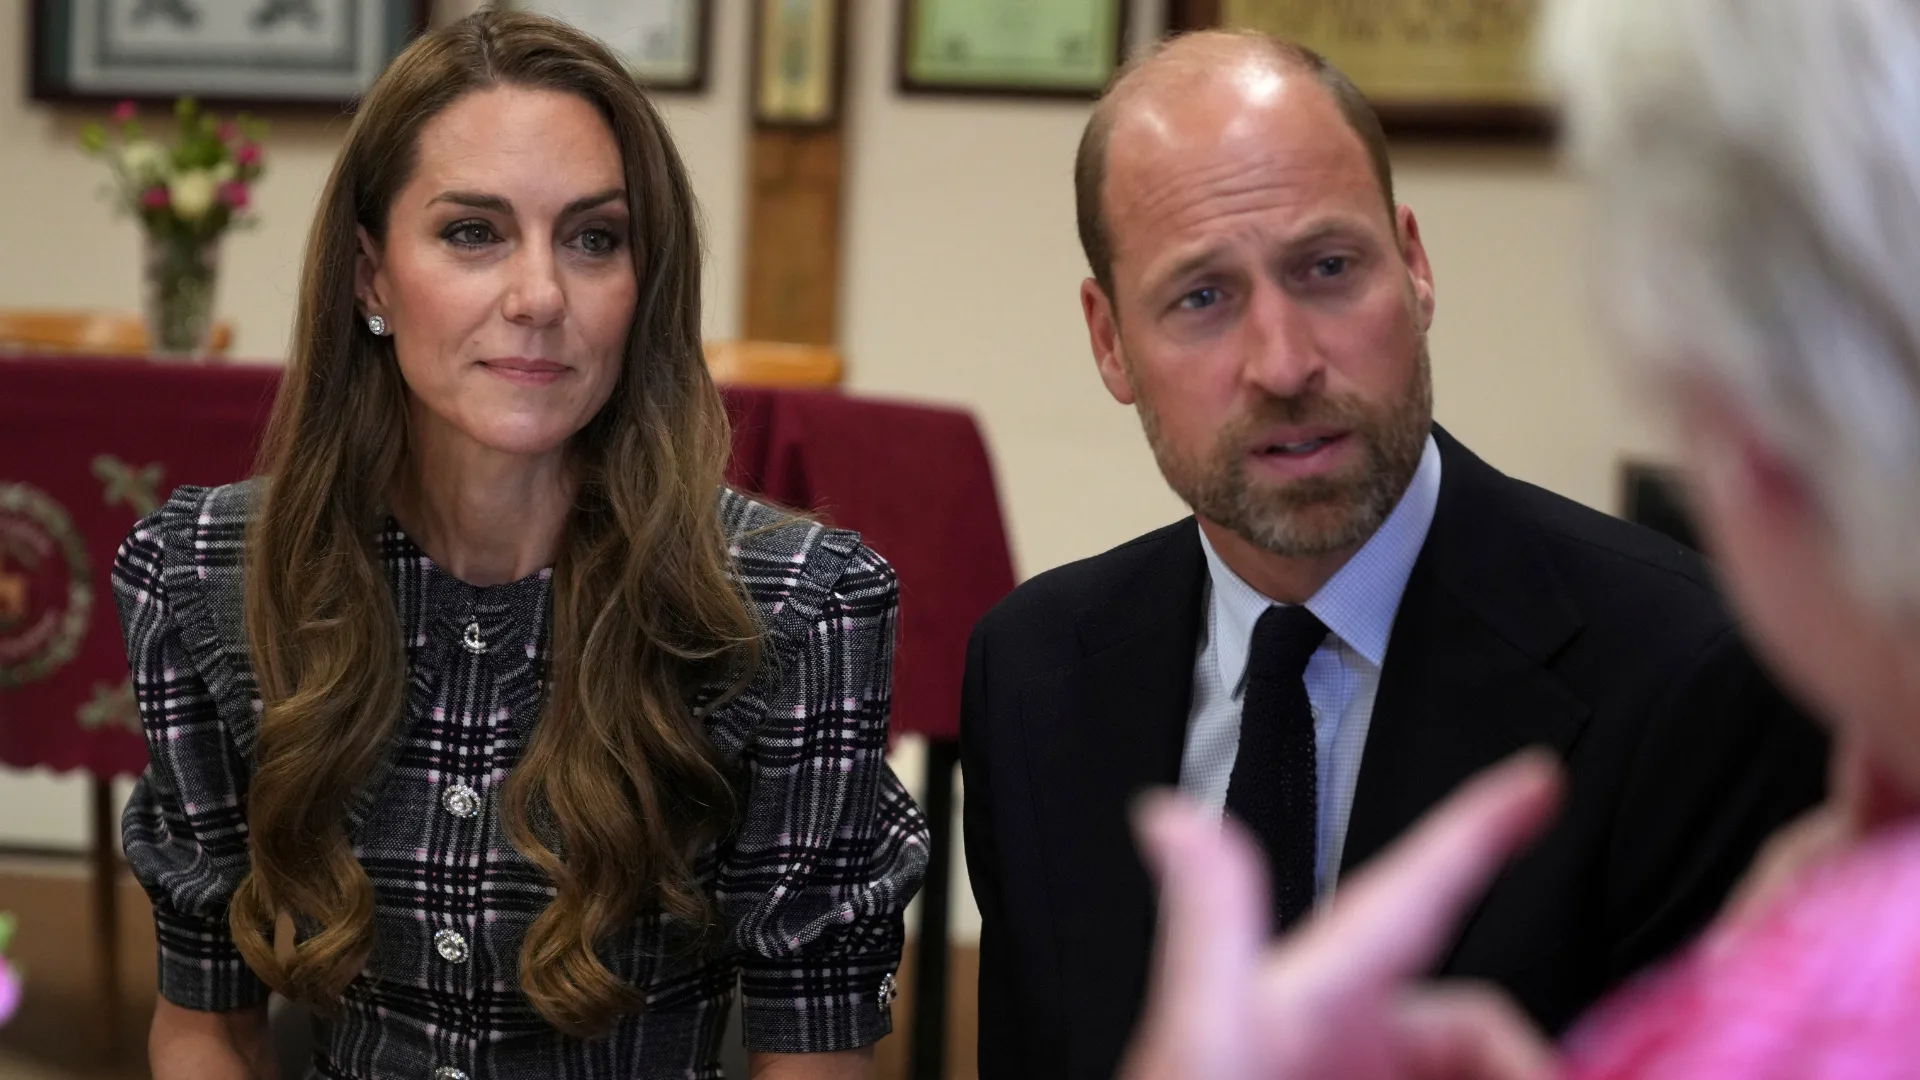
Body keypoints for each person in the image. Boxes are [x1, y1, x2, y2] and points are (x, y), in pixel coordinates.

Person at [960, 29, 1829, 1080]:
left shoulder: (1693, 674)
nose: (1284, 363)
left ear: (1414, 267)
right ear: (1110, 343)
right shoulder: (1032, 672)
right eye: (1202, 298)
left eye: (1328, 269)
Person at [114, 12, 926, 1079]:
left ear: (644, 283)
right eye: (472, 233)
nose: (540, 296)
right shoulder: (209, 576)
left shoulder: (791, 608)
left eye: (594, 239)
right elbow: (205, 1024)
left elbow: (812, 1056)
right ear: (370, 277)